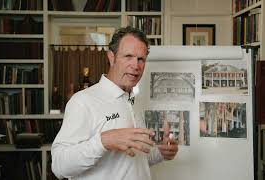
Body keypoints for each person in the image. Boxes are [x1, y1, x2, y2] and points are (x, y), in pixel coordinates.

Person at [51, 26, 178, 180]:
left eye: (141, 59)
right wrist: (104, 141)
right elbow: (59, 166)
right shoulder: (83, 101)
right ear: (111, 57)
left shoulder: (133, 100)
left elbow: (133, 161)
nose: (135, 65)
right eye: (128, 56)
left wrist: (160, 153)